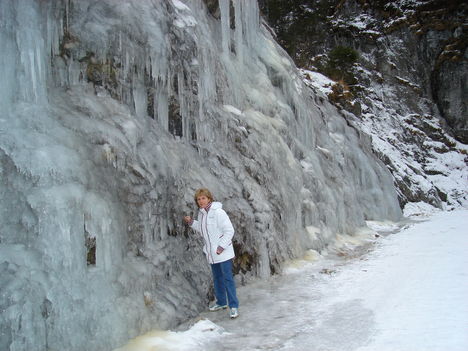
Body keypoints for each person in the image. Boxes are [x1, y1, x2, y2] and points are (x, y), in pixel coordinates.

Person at [184, 188, 239, 319]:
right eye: (198, 199)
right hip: (211, 253)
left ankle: (233, 306)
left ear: (209, 199)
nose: (201, 201)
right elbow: (203, 230)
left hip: (222, 252)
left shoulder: (218, 212)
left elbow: (229, 230)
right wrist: (192, 222)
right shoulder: (202, 214)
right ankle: (221, 302)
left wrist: (221, 247)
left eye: (203, 198)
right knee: (217, 278)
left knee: (227, 279)